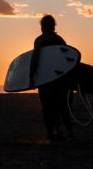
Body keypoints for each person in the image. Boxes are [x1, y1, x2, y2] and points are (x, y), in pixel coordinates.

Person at [30, 15, 73, 143]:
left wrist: (32, 76)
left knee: (47, 107)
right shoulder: (60, 40)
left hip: (46, 80)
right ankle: (68, 131)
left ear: (43, 26)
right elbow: (67, 59)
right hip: (62, 79)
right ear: (54, 26)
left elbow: (35, 58)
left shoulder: (40, 40)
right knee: (63, 106)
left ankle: (51, 133)